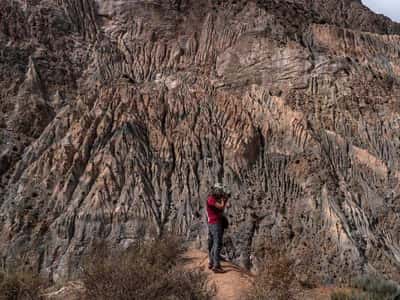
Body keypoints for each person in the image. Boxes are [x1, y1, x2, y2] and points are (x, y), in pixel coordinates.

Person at [207, 183, 229, 273]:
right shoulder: (211, 199)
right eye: (219, 191)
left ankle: (212, 262)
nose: (220, 192)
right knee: (217, 244)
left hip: (214, 223)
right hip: (215, 223)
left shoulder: (214, 199)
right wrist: (224, 200)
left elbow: (223, 208)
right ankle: (216, 265)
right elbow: (221, 206)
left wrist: (224, 199)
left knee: (214, 243)